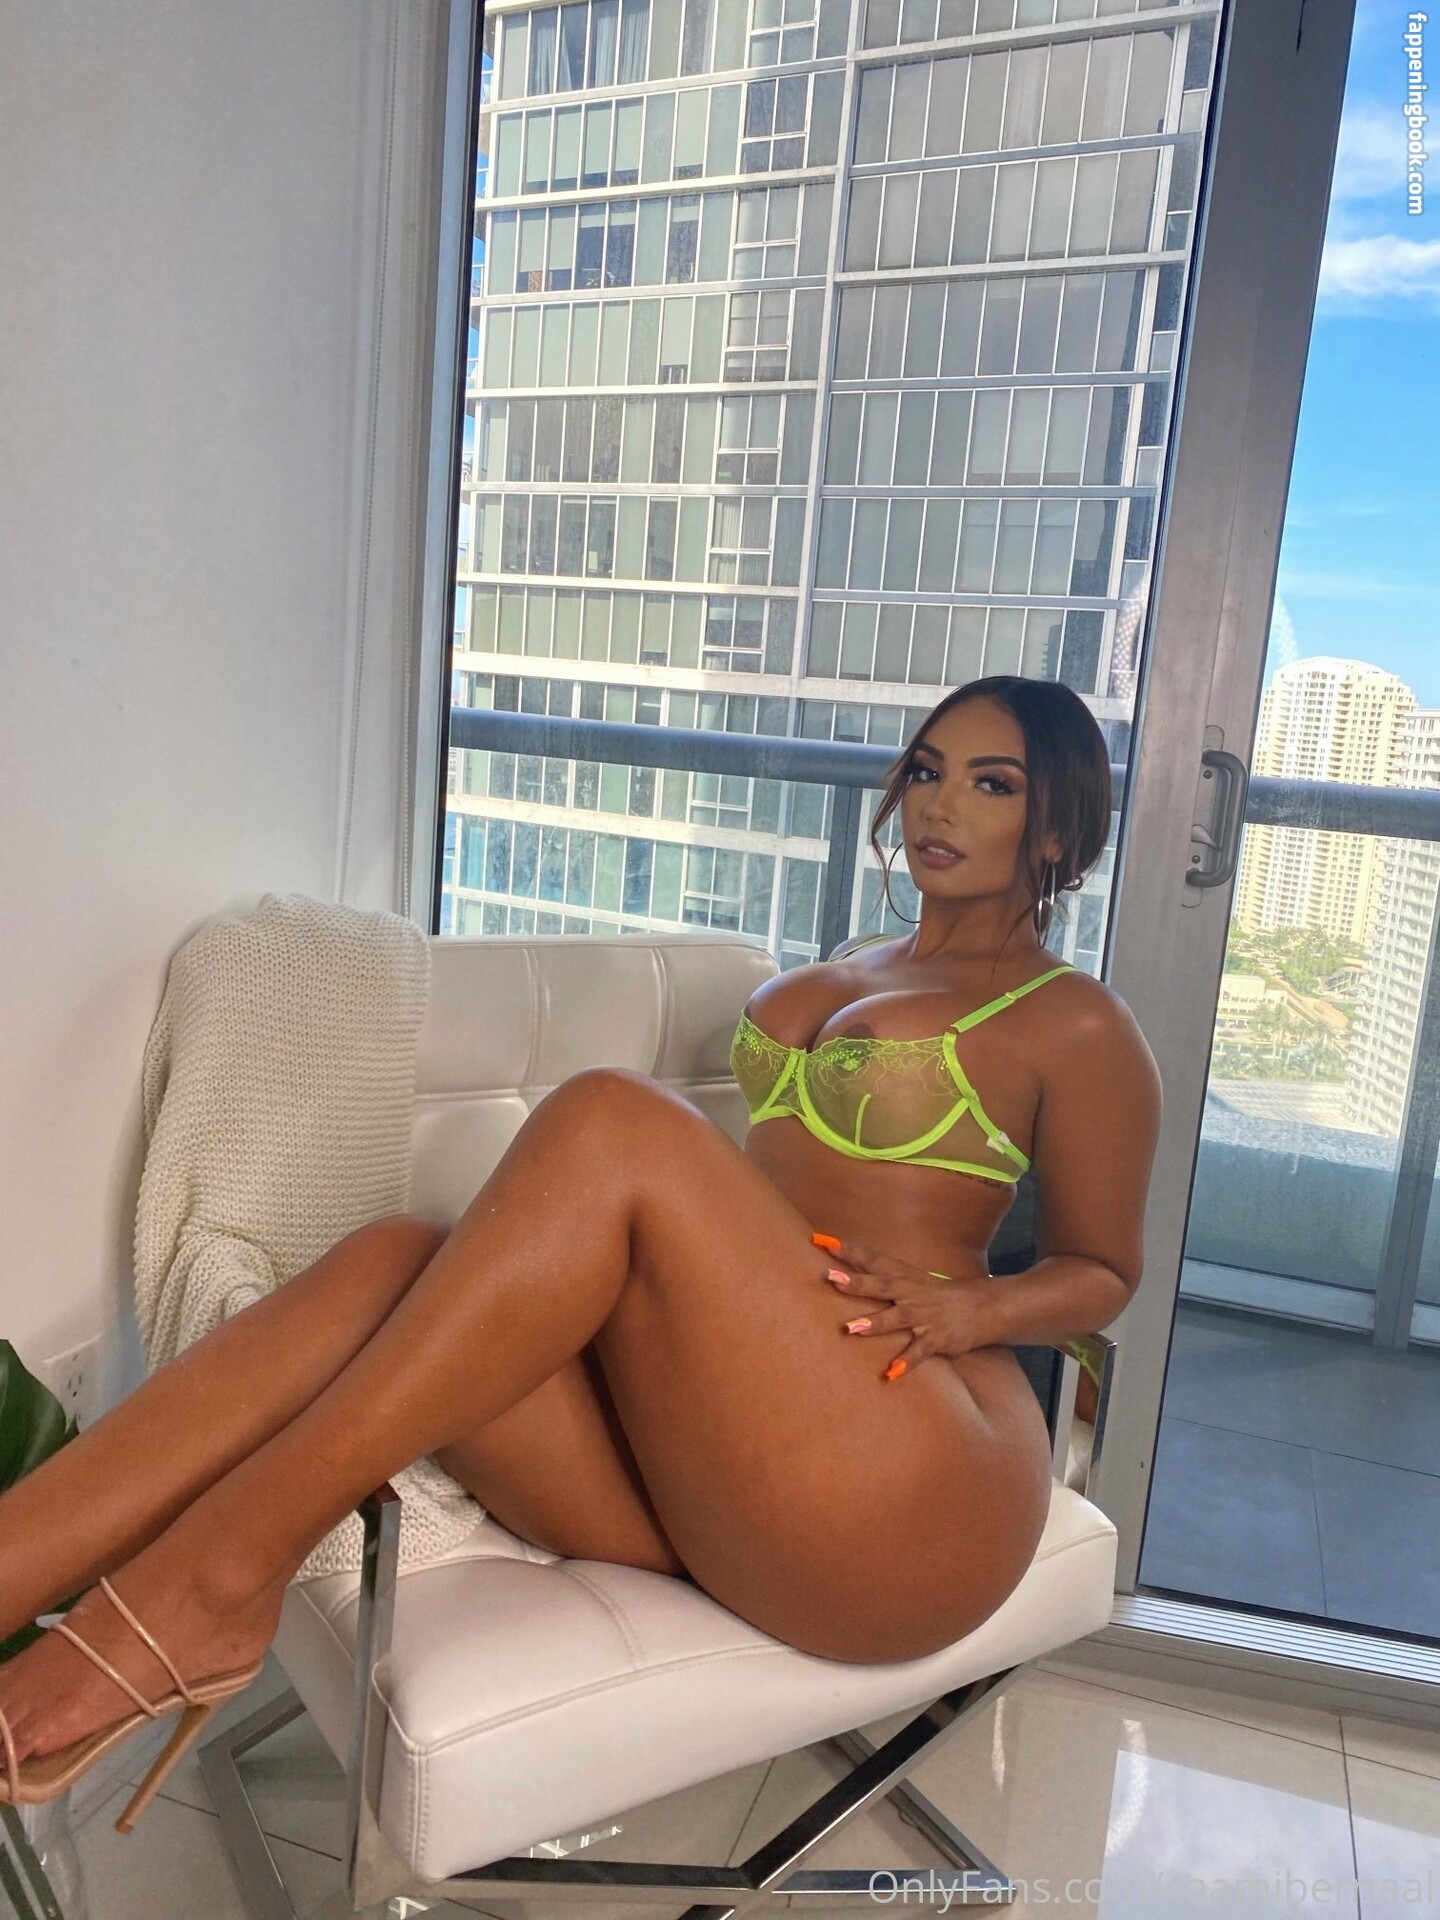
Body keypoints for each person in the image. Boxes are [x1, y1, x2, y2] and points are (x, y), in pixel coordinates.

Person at [0, 675, 1162, 1827]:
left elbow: (1106, 1274)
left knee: (615, 1116)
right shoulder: (858, 958)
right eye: (927, 771)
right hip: (748, 1452)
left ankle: (217, 1576)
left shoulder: (1074, 1020)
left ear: (1058, 827)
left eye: (992, 785)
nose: (940, 805)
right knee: (392, 1260)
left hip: (917, 1471)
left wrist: (977, 1310)